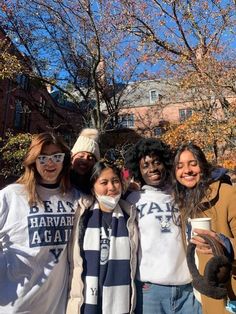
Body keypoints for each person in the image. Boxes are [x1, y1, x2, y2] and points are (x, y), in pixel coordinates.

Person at [0, 132, 80, 314]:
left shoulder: (76, 198)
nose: (50, 163)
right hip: (14, 304)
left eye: (56, 157)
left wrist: (126, 187)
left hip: (55, 305)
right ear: (33, 161)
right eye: (42, 158)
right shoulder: (11, 195)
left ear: (65, 161)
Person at [125, 138, 201, 314]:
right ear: (139, 170)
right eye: (146, 165)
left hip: (187, 290)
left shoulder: (182, 195)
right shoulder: (131, 201)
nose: (152, 168)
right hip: (150, 292)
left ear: (166, 163)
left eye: (157, 162)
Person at [66, 159, 138, 314]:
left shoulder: (131, 216)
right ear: (93, 188)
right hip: (87, 301)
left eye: (115, 181)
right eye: (104, 182)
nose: (111, 187)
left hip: (121, 301)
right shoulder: (81, 216)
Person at [172, 142, 236, 314]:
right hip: (198, 294)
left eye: (193, 164)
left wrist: (223, 243)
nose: (187, 170)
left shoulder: (227, 194)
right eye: (180, 166)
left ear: (203, 165)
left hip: (229, 291)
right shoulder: (183, 201)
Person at [70, 128, 100, 194]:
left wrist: (125, 174)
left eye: (90, 158)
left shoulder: (99, 184)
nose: (85, 160)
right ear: (72, 159)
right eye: (81, 156)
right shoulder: (61, 181)